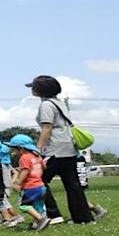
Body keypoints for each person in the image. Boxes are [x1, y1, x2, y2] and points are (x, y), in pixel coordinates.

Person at [26, 75, 94, 224]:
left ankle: (53, 214)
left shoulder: (46, 105)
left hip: (55, 148)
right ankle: (83, 218)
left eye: (33, 87)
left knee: (38, 181)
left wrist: (38, 148)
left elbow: (47, 127)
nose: (32, 89)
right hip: (69, 147)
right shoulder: (59, 102)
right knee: (72, 184)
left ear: (41, 90)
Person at [8, 134, 51, 231]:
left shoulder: (24, 157)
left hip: (31, 187)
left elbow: (25, 170)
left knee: (24, 206)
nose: (15, 152)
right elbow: (44, 167)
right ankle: (36, 225)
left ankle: (41, 219)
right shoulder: (37, 156)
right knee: (38, 207)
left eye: (15, 149)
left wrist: (18, 183)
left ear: (21, 148)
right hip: (41, 186)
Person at [76, 153, 107, 220]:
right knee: (76, 195)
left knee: (77, 194)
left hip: (77, 161)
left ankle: (97, 211)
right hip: (72, 160)